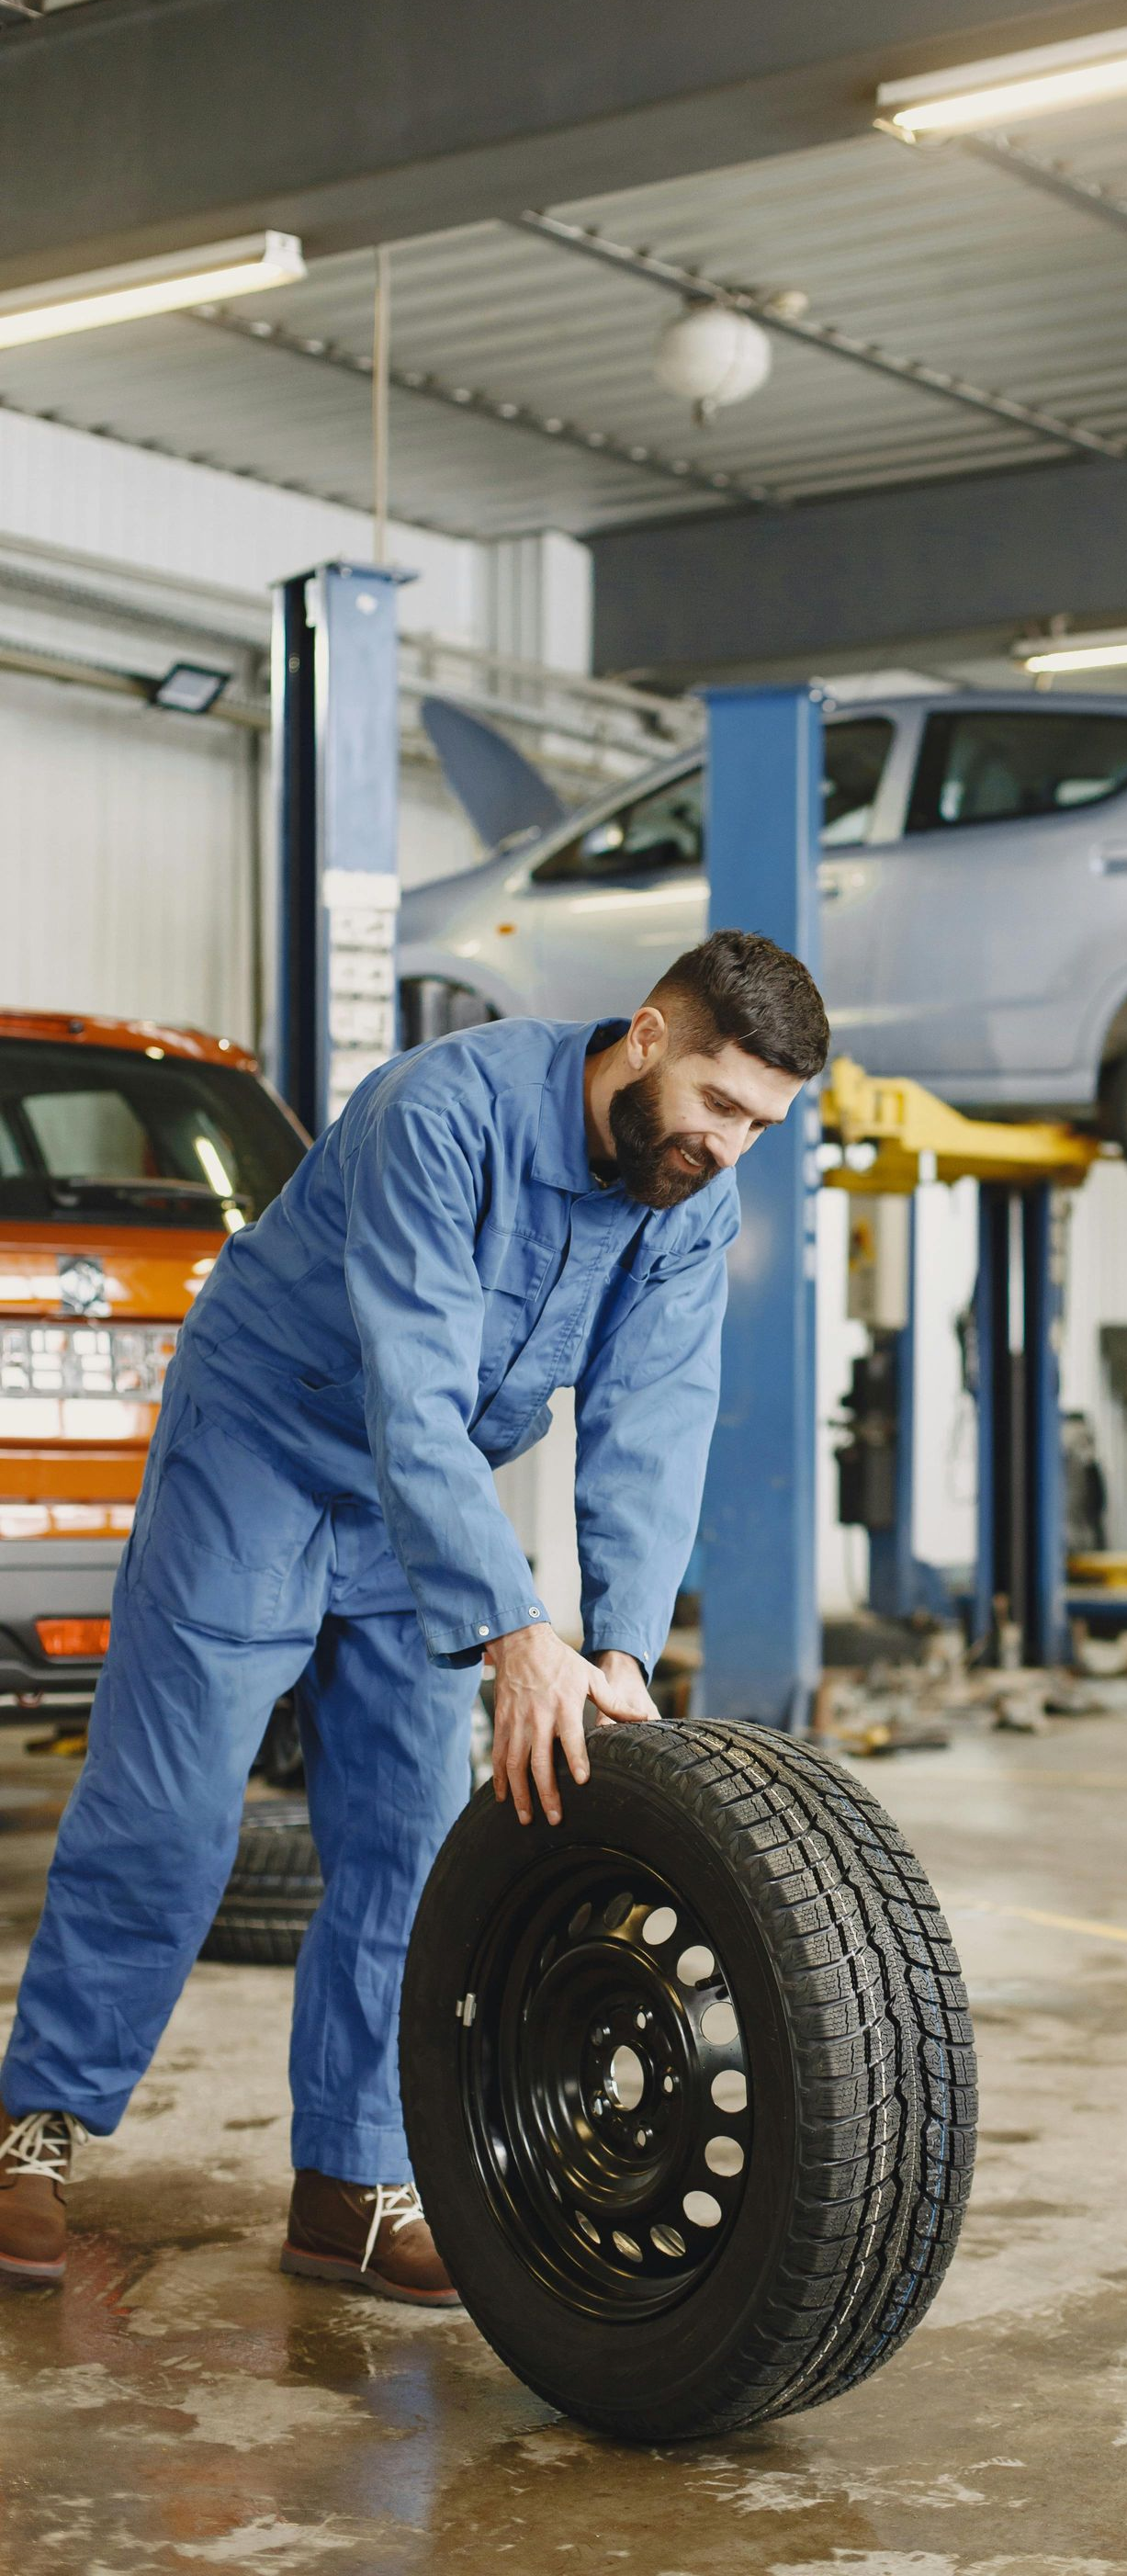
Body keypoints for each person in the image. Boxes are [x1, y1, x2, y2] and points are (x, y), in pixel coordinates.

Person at [0, 928, 828, 2300]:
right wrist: (513, 1632)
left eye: (763, 1123)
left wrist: (614, 1643)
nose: (731, 1145)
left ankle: (349, 2179)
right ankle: (35, 2126)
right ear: (646, 1036)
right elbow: (414, 1387)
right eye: (720, 1104)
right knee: (174, 1811)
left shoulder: (689, 1201)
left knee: (405, 1831)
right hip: (263, 1452)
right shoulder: (440, 1114)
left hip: (417, 1509)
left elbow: (652, 1422)